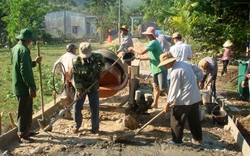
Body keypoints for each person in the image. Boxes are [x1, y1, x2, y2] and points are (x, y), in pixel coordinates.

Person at [158, 52, 202, 145]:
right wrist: (198, 81)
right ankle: (198, 139)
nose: (165, 66)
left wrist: (168, 103)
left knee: (176, 117)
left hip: (184, 99)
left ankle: (176, 140)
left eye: (165, 64)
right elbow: (199, 71)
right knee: (194, 119)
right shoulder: (185, 63)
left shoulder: (175, 72)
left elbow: (174, 89)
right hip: (195, 96)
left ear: (170, 61)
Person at [11, 28, 42, 143]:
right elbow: (24, 70)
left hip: (18, 84)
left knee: (27, 109)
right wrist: (30, 86)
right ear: (28, 40)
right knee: (24, 111)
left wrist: (34, 62)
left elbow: (22, 65)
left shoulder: (15, 48)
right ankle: (22, 134)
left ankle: (26, 130)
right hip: (23, 87)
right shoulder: (24, 50)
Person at [128, 26, 168, 108]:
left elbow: (141, 52)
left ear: (151, 35)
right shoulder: (153, 43)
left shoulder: (153, 42)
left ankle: (170, 103)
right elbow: (152, 57)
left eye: (147, 35)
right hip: (155, 69)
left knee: (164, 89)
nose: (146, 36)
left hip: (160, 69)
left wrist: (132, 48)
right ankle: (155, 103)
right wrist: (140, 59)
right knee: (156, 87)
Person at [72, 42, 106, 134]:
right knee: (77, 106)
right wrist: (79, 89)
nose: (86, 57)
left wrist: (101, 71)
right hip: (82, 86)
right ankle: (77, 125)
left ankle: (95, 128)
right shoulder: (76, 61)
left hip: (93, 86)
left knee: (94, 107)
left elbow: (103, 61)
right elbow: (76, 77)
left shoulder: (97, 56)